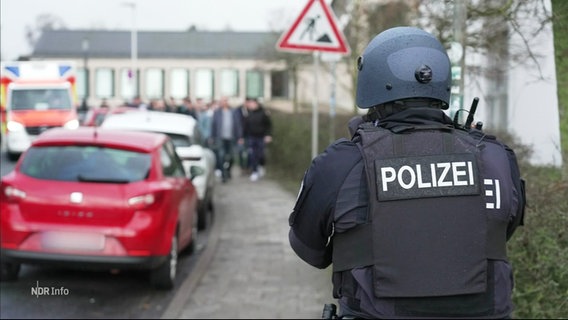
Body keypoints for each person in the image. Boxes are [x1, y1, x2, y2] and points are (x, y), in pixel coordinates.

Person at [288, 26, 526, 319]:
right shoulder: (495, 157)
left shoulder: (342, 162)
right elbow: (503, 229)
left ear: (371, 84)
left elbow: (308, 248)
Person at [210, 96, 243, 182]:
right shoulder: (217, 112)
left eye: (225, 101)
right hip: (220, 138)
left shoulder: (233, 112)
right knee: (221, 156)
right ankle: (223, 174)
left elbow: (238, 124)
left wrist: (239, 136)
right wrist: (212, 137)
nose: (224, 102)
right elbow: (214, 125)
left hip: (232, 138)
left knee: (231, 156)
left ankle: (228, 170)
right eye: (222, 101)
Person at [242, 97, 272, 182]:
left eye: (252, 103)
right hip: (251, 137)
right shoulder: (249, 114)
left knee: (261, 154)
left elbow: (268, 125)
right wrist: (243, 137)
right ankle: (254, 171)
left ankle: (261, 165)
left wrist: (268, 135)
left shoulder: (263, 113)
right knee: (252, 155)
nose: (251, 105)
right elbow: (245, 126)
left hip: (261, 137)